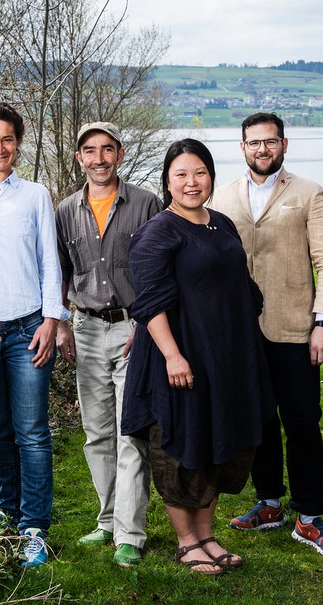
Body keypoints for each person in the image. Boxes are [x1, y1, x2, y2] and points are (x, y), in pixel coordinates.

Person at [122, 139, 273, 576]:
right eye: (181, 174)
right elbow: (149, 303)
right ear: (167, 181)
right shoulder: (158, 231)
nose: (192, 182)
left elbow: (239, 283)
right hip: (180, 356)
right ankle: (187, 542)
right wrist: (173, 355)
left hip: (223, 356)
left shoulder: (220, 223)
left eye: (200, 172)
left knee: (217, 440)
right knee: (180, 446)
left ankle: (207, 534)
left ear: (210, 175)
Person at [211, 113, 323, 556]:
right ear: (242, 148)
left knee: (302, 423)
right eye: (254, 143)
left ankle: (309, 516)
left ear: (284, 145)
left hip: (294, 328)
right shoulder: (222, 196)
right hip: (239, 333)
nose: (262, 150)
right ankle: (268, 502)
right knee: (259, 421)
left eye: (270, 142)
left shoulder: (309, 194)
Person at [0, 101, 67, 568]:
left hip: (28, 328)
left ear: (17, 143)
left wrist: (51, 319)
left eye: (7, 139)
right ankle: (8, 515)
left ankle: (35, 528)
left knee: (32, 433)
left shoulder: (36, 195)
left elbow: (50, 261)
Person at [54, 122, 161, 568]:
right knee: (97, 432)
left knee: (129, 430)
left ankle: (130, 534)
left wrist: (148, 322)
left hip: (132, 327)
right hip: (86, 328)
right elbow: (58, 272)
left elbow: (161, 268)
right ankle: (107, 519)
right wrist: (62, 325)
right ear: (80, 157)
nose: (99, 158)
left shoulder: (145, 203)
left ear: (120, 153)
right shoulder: (65, 211)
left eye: (107, 149)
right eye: (90, 151)